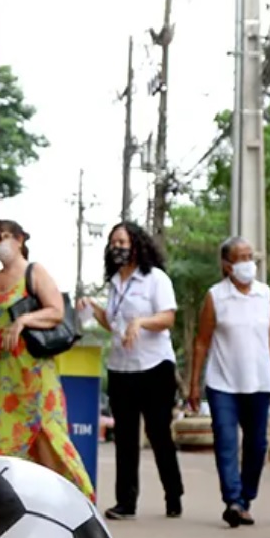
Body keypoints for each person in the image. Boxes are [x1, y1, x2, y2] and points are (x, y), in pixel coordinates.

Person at [0, 219, 94, 498]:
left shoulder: (34, 272)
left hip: (33, 379)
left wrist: (23, 321)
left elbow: (56, 311)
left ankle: (73, 502)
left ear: (19, 240)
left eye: (2, 237)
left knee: (47, 444)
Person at [188, 236, 270, 528]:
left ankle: (246, 498)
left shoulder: (264, 295)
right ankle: (233, 501)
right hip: (222, 383)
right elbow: (201, 342)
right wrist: (194, 384)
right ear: (227, 266)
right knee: (226, 442)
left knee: (257, 445)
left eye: (250, 256)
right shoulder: (215, 296)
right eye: (240, 257)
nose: (247, 263)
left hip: (259, 382)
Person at [78, 221, 184, 520]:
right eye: (114, 243)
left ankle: (173, 493)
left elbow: (167, 319)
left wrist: (140, 322)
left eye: (123, 242)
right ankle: (126, 501)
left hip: (154, 366)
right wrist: (94, 309)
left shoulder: (155, 279)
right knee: (125, 436)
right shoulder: (114, 283)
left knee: (158, 432)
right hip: (121, 367)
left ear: (136, 245)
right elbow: (113, 324)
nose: (118, 248)